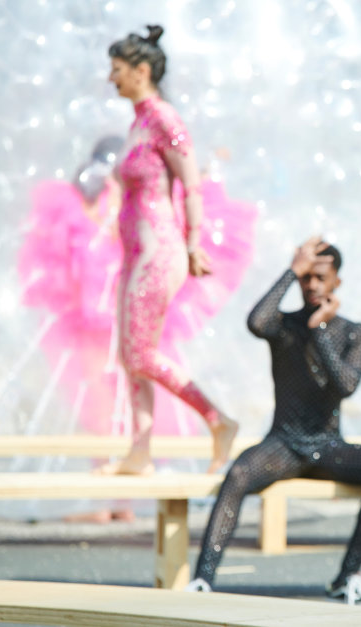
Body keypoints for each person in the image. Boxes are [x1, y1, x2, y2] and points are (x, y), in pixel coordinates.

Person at [186, 237, 361, 607]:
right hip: (283, 445)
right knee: (237, 475)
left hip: (328, 446)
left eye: (320, 278)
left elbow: (345, 386)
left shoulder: (355, 332)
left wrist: (319, 329)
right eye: (306, 279)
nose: (312, 285)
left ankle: (347, 576)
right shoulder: (283, 325)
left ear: (337, 283)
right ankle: (203, 580)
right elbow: (255, 321)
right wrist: (290, 270)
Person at [102, 25, 239, 474]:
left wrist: (194, 241)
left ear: (142, 71)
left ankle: (218, 420)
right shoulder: (138, 121)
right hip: (134, 253)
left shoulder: (164, 118)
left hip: (158, 250)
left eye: (118, 70)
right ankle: (140, 451)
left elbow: (191, 184)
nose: (111, 78)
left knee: (141, 354)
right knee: (130, 355)